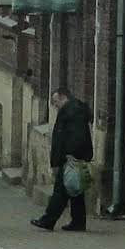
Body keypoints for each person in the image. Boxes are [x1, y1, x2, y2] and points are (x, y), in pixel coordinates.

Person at [31, 85, 94, 232]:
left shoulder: (72, 111)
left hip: (70, 159)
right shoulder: (75, 110)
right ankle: (78, 222)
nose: (55, 105)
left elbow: (76, 135)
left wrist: (69, 154)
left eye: (56, 102)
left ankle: (48, 220)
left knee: (61, 190)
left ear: (63, 98)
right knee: (75, 190)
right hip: (72, 157)